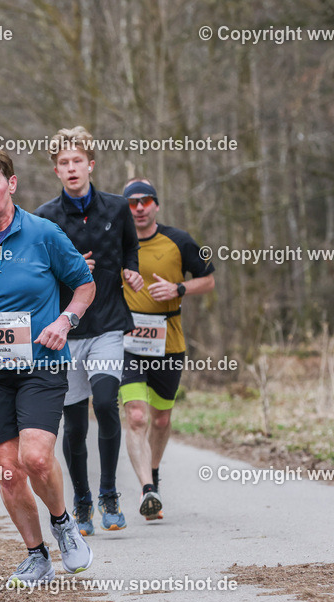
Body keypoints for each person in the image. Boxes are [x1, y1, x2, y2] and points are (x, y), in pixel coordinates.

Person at [0, 148, 96, 588]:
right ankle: (37, 557)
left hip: (41, 362)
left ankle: (64, 524)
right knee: (9, 471)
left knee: (35, 458)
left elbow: (84, 285)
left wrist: (66, 321)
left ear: (11, 184)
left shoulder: (44, 234)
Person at [34, 126, 143, 536]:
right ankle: (81, 501)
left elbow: (131, 247)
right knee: (75, 423)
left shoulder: (117, 209)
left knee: (105, 401)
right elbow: (40, 274)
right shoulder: (45, 217)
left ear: (90, 164)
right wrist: (71, 268)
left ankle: (109, 493)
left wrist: (130, 271)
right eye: (63, 163)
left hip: (109, 325)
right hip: (67, 331)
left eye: (77, 160)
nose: (71, 168)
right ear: (56, 171)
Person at [120, 179, 215, 520]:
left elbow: (209, 279)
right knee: (136, 416)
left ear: (156, 205)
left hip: (168, 341)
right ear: (125, 208)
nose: (140, 207)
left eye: (146, 201)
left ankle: (154, 478)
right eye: (132, 203)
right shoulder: (115, 243)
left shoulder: (180, 240)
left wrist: (178, 288)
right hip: (127, 341)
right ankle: (147, 489)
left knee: (160, 418)